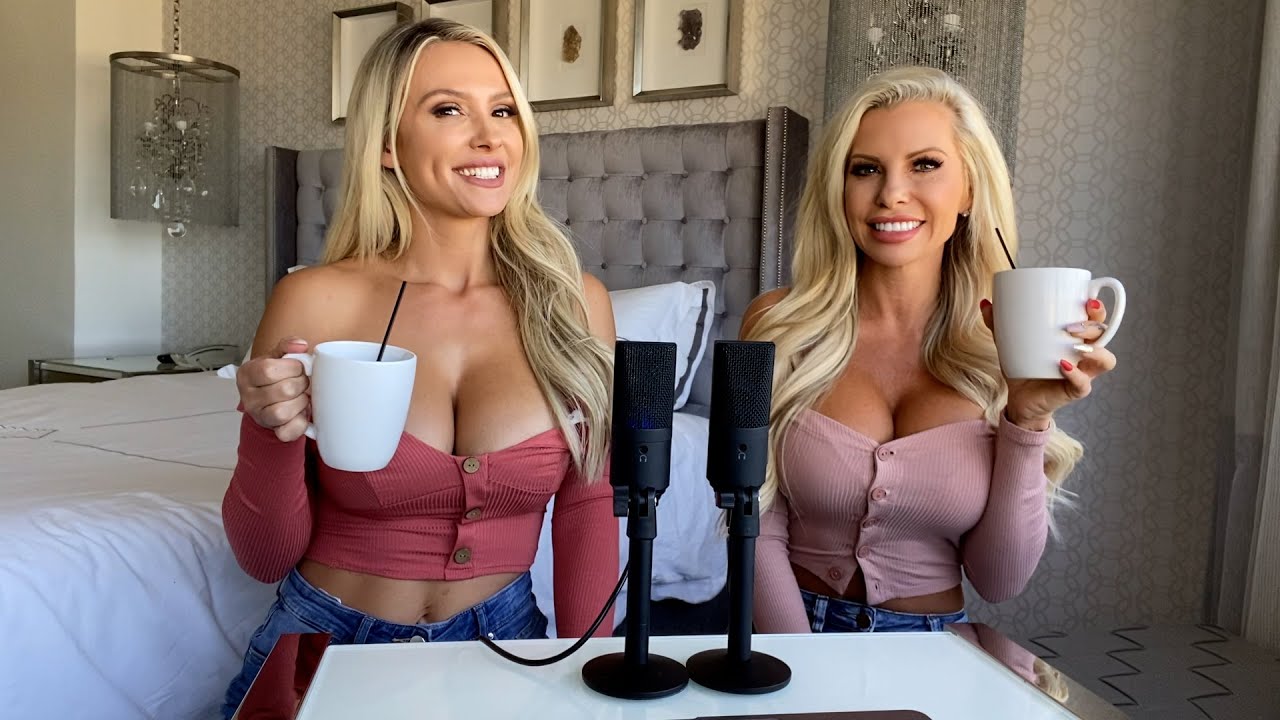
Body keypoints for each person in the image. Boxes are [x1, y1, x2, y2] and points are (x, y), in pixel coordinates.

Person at [220, 18, 618, 717]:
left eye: (503, 111)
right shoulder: (316, 299)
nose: (490, 137)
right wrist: (266, 432)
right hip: (325, 649)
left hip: (508, 647)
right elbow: (264, 557)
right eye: (448, 110)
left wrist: (595, 673)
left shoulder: (574, 304)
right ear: (385, 143)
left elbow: (588, 508)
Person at [746, 66, 1117, 634]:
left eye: (924, 165)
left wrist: (1027, 419)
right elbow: (753, 523)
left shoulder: (1007, 343)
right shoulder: (780, 324)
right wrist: (803, 666)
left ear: (969, 188)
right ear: (839, 190)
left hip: (936, 645)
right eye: (865, 169)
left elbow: (999, 580)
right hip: (796, 636)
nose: (891, 193)